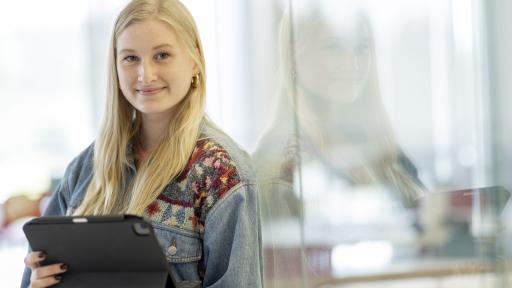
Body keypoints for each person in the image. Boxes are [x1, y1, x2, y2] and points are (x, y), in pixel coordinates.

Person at [21, 0, 262, 287]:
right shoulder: (86, 168)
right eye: (130, 58)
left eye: (161, 55)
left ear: (194, 59)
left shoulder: (222, 174)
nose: (145, 75)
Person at [254, 1, 424, 286]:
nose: (352, 63)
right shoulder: (281, 158)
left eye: (362, 47)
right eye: (333, 48)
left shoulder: (382, 148)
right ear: (295, 58)